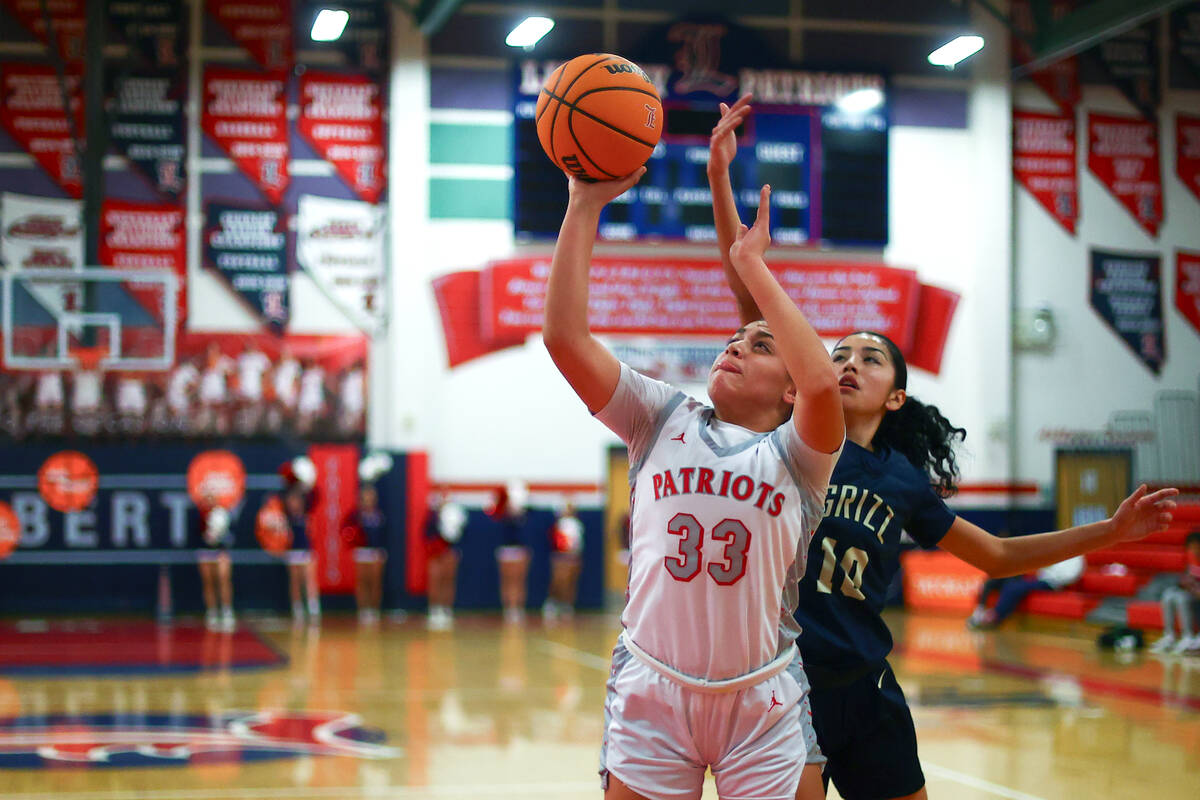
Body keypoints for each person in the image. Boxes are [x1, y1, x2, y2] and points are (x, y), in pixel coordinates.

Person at [708, 94, 1180, 800]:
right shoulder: (797, 438)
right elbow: (749, 292)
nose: (847, 363)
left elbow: (994, 555)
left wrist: (1108, 532)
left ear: (896, 395)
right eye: (838, 353)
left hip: (863, 685)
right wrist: (720, 182)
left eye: (869, 359)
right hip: (781, 688)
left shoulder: (899, 479)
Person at [544, 164, 843, 800]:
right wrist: (583, 204)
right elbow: (566, 339)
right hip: (652, 686)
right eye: (734, 338)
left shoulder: (800, 455)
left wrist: (753, 266)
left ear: (788, 388)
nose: (734, 346)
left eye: (759, 347)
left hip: (763, 700)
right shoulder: (659, 415)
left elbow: (822, 382)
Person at [966, 555, 1086, 629]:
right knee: (997, 580)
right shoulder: (1060, 551)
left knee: (1014, 587)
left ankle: (995, 616)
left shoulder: (1077, 559)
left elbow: (1070, 576)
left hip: (1052, 584)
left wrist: (1051, 575)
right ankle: (980, 611)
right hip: (1042, 578)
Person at [1149, 531, 1200, 655]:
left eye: (1196, 546)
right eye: (1192, 547)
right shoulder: (1191, 559)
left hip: (1196, 594)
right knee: (1168, 595)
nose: (1194, 549)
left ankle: (1187, 636)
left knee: (1181, 599)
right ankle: (1169, 636)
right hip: (1192, 591)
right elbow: (1186, 578)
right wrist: (1185, 583)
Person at [425, 490, 467, 631]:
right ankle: (434, 609)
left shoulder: (457, 515)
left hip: (449, 553)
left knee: (448, 581)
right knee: (436, 580)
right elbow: (427, 534)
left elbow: (460, 535)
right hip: (436, 554)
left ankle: (446, 608)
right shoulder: (433, 516)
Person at [347, 483, 388, 625]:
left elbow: (384, 535)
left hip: (375, 553)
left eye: (371, 495)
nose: (369, 498)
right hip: (361, 552)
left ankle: (374, 610)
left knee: (375, 582)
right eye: (366, 495)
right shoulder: (356, 515)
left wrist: (381, 551)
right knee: (362, 582)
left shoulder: (379, 515)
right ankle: (363, 610)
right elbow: (348, 532)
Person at [490, 479, 530, 624]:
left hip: (519, 550)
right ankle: (508, 608)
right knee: (507, 580)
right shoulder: (501, 513)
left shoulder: (524, 514)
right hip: (505, 550)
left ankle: (518, 608)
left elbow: (525, 534)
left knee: (519, 580)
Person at [196, 492, 235, 632]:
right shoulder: (200, 514)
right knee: (208, 581)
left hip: (220, 551)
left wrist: (219, 535)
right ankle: (212, 612)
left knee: (224, 579)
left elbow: (229, 536)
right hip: (205, 552)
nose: (210, 500)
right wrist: (208, 535)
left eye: (213, 497)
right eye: (208, 497)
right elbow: (197, 536)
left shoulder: (222, 514)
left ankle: (226, 611)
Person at [283, 486, 321, 625]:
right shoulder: (286, 517)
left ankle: (313, 608)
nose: (294, 504)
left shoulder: (307, 514)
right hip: (292, 553)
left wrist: (305, 485)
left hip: (306, 552)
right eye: (291, 500)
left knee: (309, 580)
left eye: (297, 500)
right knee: (295, 581)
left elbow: (316, 496)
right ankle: (297, 608)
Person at [543, 499, 584, 621]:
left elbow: (578, 542)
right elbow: (557, 541)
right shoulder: (560, 524)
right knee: (559, 581)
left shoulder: (577, 524)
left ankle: (567, 605)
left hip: (574, 556)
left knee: (571, 581)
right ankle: (552, 603)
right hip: (561, 556)